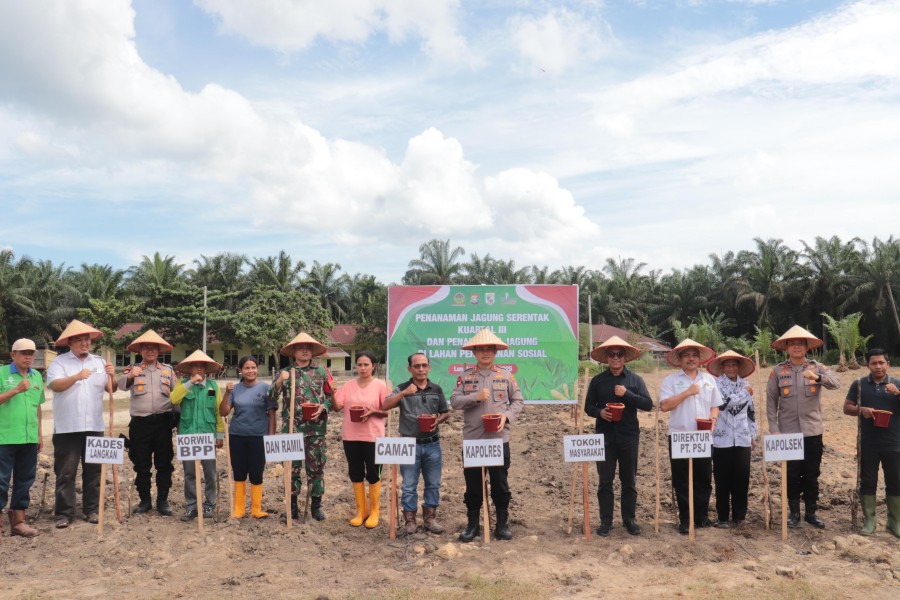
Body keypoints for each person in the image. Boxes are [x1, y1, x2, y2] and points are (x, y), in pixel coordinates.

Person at [450, 328, 524, 542]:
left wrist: (506, 417)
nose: (485, 353)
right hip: (474, 441)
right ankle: (473, 524)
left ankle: (501, 524)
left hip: (498, 441)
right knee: (473, 486)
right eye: (480, 349)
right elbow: (454, 402)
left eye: (489, 349)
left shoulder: (506, 376)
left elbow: (518, 402)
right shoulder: (465, 377)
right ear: (474, 352)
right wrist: (475, 396)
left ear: (495, 352)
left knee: (500, 484)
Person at [766, 325, 839, 529]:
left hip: (812, 431)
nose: (797, 347)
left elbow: (836, 383)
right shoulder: (778, 371)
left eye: (801, 343)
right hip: (788, 433)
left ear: (807, 347)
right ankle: (794, 514)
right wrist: (774, 429)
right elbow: (771, 402)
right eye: (792, 344)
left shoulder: (817, 367)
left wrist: (817, 378)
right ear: (786, 348)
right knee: (791, 475)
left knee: (811, 473)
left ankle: (811, 513)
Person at [47, 319, 116, 529]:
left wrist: (113, 376)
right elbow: (55, 385)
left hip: (94, 426)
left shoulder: (98, 362)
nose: (84, 343)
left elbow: (110, 389)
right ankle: (64, 513)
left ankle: (92, 510)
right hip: (68, 427)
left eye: (87, 340)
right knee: (66, 472)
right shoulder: (60, 363)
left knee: (94, 471)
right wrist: (77, 376)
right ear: (70, 343)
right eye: (79, 340)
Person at [583, 336, 653, 537]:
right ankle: (606, 520)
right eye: (611, 354)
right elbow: (588, 406)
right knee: (605, 479)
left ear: (624, 358)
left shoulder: (634, 380)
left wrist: (627, 394)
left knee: (628, 479)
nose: (615, 358)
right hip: (604, 436)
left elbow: (648, 404)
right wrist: (599, 413)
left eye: (619, 354)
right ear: (606, 358)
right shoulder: (598, 381)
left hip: (629, 436)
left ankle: (629, 519)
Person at [269, 332, 335, 521]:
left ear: (312, 352)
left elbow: (332, 397)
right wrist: (280, 381)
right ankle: (292, 508)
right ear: (294, 351)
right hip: (291, 429)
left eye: (308, 348)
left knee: (316, 469)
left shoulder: (322, 372)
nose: (305, 351)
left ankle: (316, 507)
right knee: (291, 469)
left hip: (316, 430)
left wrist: (324, 406)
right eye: (300, 347)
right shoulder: (286, 372)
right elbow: (270, 397)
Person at [384, 352, 450, 535]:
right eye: (417, 366)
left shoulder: (436, 389)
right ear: (410, 369)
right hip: (408, 444)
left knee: (433, 483)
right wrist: (405, 393)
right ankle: (410, 521)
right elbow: (385, 405)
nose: (421, 369)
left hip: (432, 444)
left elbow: (445, 412)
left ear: (429, 367)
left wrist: (437, 421)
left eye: (424, 365)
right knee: (409, 485)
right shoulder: (402, 388)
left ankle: (430, 519)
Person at [659, 338, 720, 534]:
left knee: (703, 478)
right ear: (680, 359)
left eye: (694, 355)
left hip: (703, 437)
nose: (691, 359)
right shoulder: (671, 380)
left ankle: (701, 516)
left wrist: (713, 419)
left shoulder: (709, 380)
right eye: (687, 355)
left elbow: (715, 405)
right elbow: (664, 406)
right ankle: (686, 519)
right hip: (680, 436)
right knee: (682, 479)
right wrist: (687, 392)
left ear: (700, 359)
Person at [117, 329, 177, 516]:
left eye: (153, 348)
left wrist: (179, 421)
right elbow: (119, 386)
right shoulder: (133, 369)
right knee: (141, 464)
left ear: (159, 351)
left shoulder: (168, 371)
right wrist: (130, 376)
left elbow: (177, 396)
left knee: (164, 463)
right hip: (140, 424)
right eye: (146, 348)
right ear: (140, 351)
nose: (150, 351)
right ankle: (144, 500)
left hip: (163, 423)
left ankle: (162, 500)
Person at [843, 348, 900, 537]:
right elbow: (847, 407)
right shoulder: (859, 385)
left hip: (894, 443)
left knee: (895, 481)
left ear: (888, 364)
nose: (878, 366)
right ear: (867, 365)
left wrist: (898, 393)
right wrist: (862, 410)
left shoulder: (897, 384)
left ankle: (894, 523)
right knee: (868, 481)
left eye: (881, 363)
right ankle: (870, 521)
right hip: (868, 443)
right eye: (874, 363)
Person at [333, 351, 387, 528]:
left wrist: (373, 411)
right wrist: (332, 393)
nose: (362, 368)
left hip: (373, 437)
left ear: (373, 366)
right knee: (355, 472)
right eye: (359, 364)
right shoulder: (348, 385)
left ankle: (374, 512)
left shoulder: (380, 385)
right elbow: (337, 407)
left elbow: (387, 410)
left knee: (373, 473)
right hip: (351, 436)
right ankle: (361, 510)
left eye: (366, 364)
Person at [170, 350, 224, 521]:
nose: (199, 369)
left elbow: (218, 412)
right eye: (195, 366)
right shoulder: (183, 384)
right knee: (190, 474)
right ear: (190, 369)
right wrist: (191, 383)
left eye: (202, 366)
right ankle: (191, 506)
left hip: (207, 436)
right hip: (188, 436)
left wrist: (220, 434)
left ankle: (209, 505)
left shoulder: (213, 387)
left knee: (210, 473)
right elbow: (173, 399)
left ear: (207, 369)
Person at [0, 339, 45, 540]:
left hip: (28, 438)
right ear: (13, 355)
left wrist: (39, 434)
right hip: (5, 437)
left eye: (31, 353)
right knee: (1, 480)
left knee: (25, 480)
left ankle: (18, 522)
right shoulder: (2, 373)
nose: (28, 356)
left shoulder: (37, 376)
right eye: (24, 353)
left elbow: (38, 407)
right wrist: (16, 390)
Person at [221, 355, 275, 519]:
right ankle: (239, 509)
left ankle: (256, 509)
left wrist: (271, 436)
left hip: (259, 436)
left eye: (253, 367)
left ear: (257, 369)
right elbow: (223, 412)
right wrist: (226, 394)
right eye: (246, 368)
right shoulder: (235, 389)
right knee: (239, 472)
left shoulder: (266, 389)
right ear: (240, 371)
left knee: (257, 473)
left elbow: (272, 414)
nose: (250, 371)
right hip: (237, 436)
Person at [707, 350, 757, 528]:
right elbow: (723, 404)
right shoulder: (716, 384)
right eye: (727, 365)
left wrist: (753, 434)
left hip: (742, 438)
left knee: (742, 478)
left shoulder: (746, 384)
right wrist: (744, 393)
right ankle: (722, 517)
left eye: (734, 365)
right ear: (722, 367)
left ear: (738, 367)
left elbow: (751, 412)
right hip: (722, 438)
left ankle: (740, 515)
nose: (731, 368)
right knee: (722, 479)